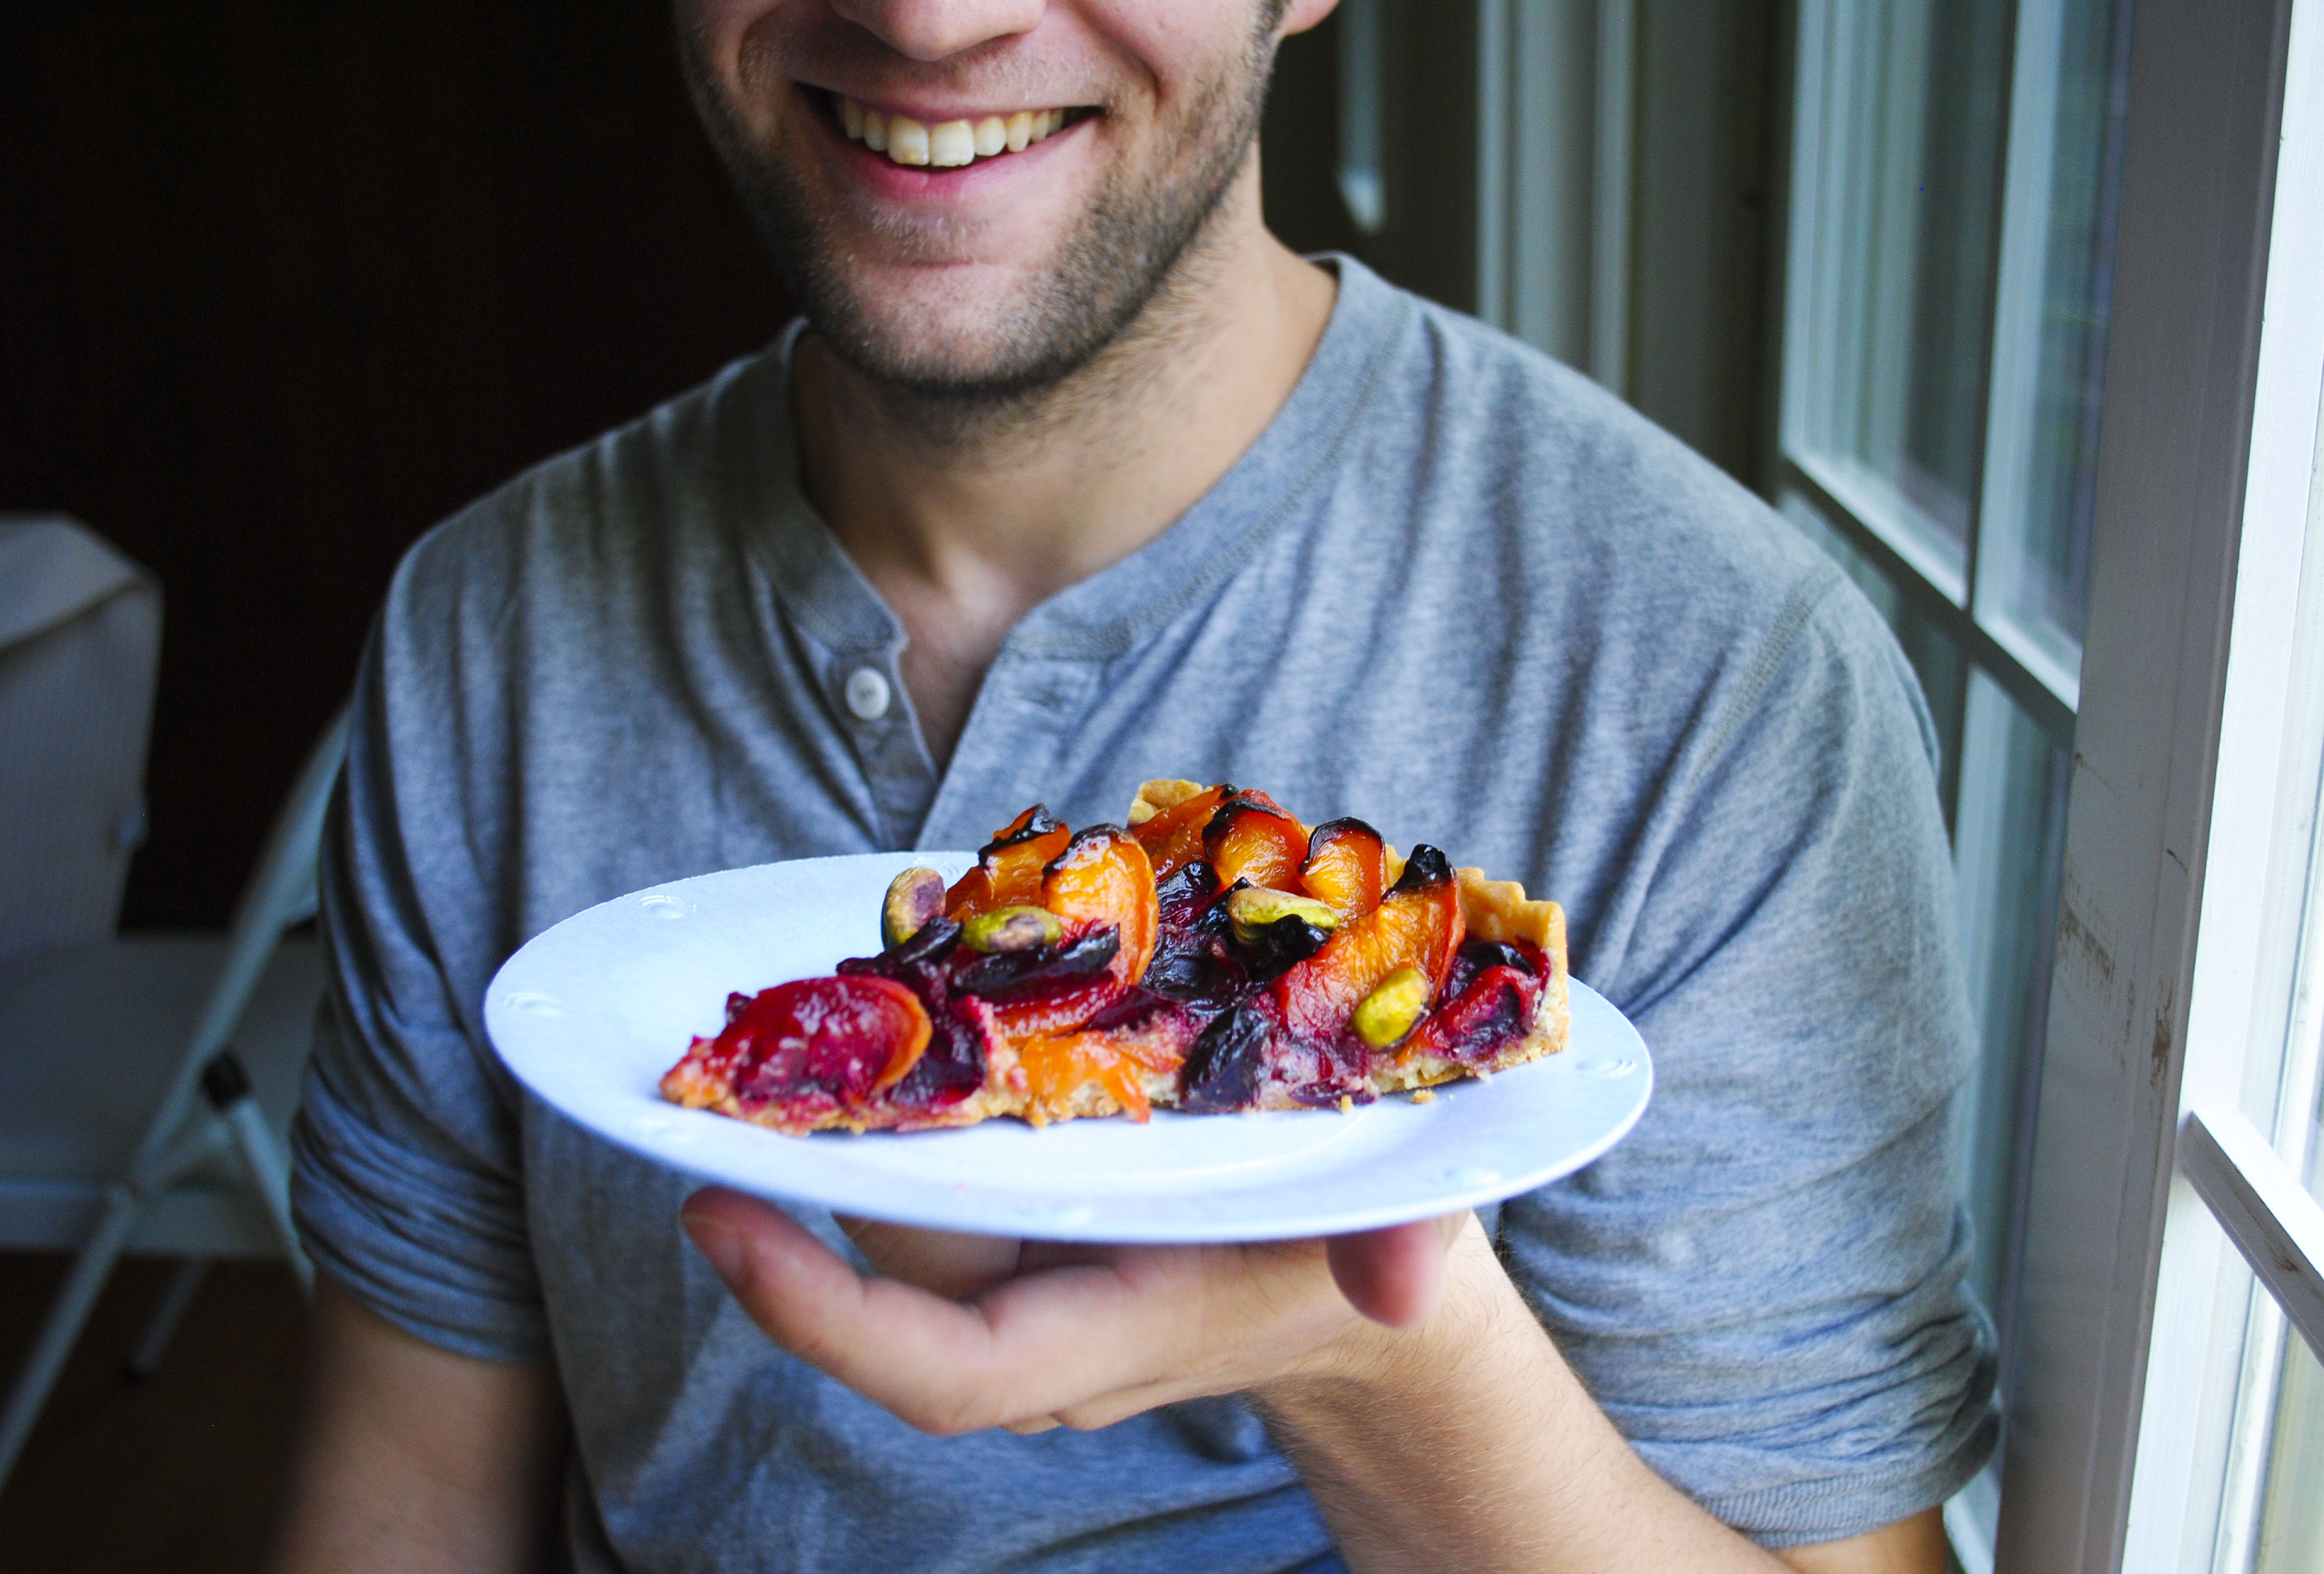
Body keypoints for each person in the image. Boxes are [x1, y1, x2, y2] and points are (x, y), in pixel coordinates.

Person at [263, 1, 1995, 1569]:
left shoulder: (1720, 683)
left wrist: (1372, 1354)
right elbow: (401, 1507)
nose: (928, 23)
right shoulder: (482, 626)